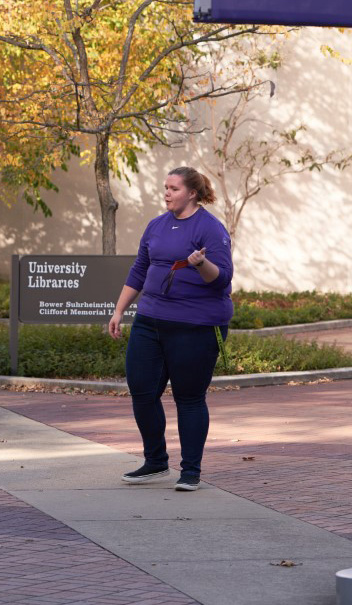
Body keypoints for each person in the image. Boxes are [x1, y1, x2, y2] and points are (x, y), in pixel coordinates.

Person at [106, 166, 234, 493]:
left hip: (196, 324)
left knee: (188, 397)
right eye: (165, 187)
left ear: (192, 193)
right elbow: (139, 270)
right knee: (141, 389)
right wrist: (119, 310)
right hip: (150, 320)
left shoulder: (210, 228)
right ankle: (155, 461)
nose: (167, 193)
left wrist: (200, 263)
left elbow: (221, 279)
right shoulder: (157, 225)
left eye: (174, 188)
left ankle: (190, 470)